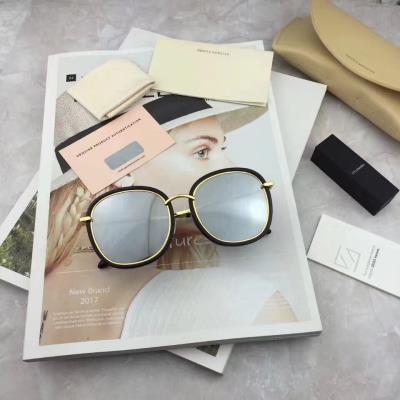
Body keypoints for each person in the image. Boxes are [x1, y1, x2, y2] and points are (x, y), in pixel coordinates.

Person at [41, 108, 297, 345]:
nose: (230, 167)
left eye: (222, 149)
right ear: (121, 170)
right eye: (202, 152)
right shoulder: (251, 308)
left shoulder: (43, 287)